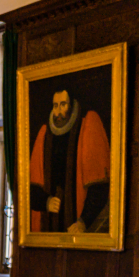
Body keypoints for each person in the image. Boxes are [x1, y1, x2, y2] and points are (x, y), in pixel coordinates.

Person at [29, 87, 111, 233]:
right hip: (50, 226)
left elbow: (99, 188)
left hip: (78, 223)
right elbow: (31, 188)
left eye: (63, 105)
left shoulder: (87, 126)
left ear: (72, 105)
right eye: (55, 105)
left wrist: (83, 221)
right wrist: (46, 202)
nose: (58, 111)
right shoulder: (44, 135)